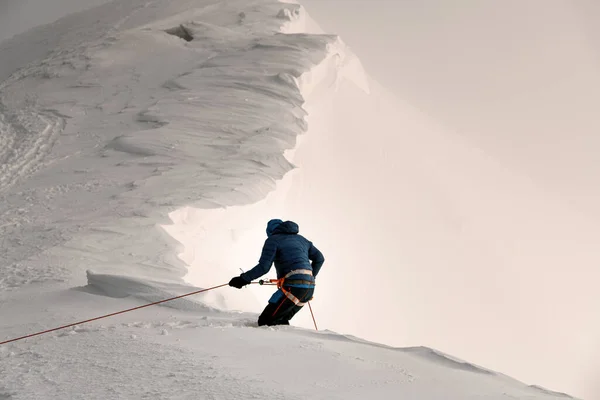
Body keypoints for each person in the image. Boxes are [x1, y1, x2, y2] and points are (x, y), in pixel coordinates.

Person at [228, 219, 325, 326]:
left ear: (270, 232)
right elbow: (319, 258)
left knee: (266, 322)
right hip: (309, 289)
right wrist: (309, 277)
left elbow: (263, 267)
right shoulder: (302, 240)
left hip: (293, 288)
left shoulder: (273, 240)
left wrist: (243, 279)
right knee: (279, 321)